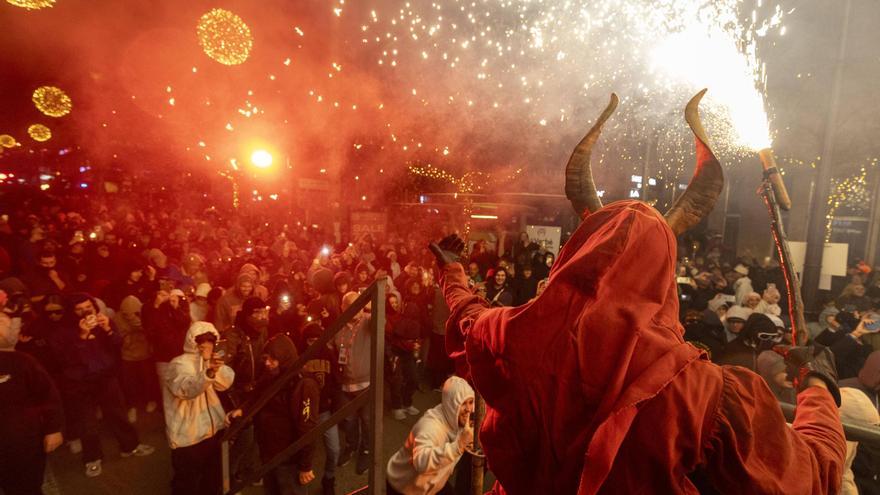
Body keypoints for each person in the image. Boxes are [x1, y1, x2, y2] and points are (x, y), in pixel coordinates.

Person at [427, 92, 845, 494]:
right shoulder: (701, 393)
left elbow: (469, 318)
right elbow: (808, 477)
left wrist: (451, 271)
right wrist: (818, 387)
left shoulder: (515, 335)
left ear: (578, 253)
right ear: (662, 272)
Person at [227, 334, 322, 495]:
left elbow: (307, 428)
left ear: (284, 357)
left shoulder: (303, 383)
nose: (267, 363)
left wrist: (305, 465)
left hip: (289, 458)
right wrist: (243, 409)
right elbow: (258, 395)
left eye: (272, 359)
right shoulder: (273, 376)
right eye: (266, 358)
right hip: (269, 454)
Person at [162, 321, 234, 495]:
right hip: (187, 437)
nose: (206, 344)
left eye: (211, 340)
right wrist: (208, 373)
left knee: (211, 479)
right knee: (186, 484)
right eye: (201, 340)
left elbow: (226, 383)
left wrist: (213, 366)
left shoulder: (211, 361)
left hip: (213, 431)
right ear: (192, 341)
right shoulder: (178, 364)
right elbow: (186, 389)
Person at [0, 311, 65, 495]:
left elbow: (48, 395)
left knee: (26, 486)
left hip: (23, 441)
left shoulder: (24, 361)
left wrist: (53, 429)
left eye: (3, 323)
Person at [386, 376, 475, 495]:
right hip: (403, 487)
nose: (469, 409)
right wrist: (459, 445)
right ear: (451, 405)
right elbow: (421, 462)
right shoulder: (429, 426)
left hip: (431, 486)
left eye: (471, 402)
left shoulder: (457, 421)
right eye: (463, 404)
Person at [334, 291, 373, 475]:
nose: (354, 310)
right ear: (343, 307)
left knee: (366, 420)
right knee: (349, 420)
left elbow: (381, 325)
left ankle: (366, 450)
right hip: (344, 384)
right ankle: (351, 446)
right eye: (350, 306)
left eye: (357, 306)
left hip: (365, 384)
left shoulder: (367, 321)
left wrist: (374, 308)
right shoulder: (339, 325)